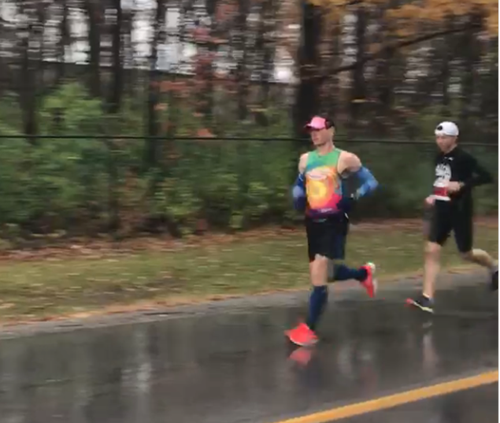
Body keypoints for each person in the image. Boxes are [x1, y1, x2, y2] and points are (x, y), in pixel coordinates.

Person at [286, 115, 379, 347]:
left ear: (331, 131)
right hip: (312, 222)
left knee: (319, 271)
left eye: (318, 129)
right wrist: (297, 193)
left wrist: (353, 197)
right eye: (311, 130)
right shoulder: (305, 160)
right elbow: (300, 183)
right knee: (326, 274)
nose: (314, 134)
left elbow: (371, 182)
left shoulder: (345, 158)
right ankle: (363, 274)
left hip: (335, 221)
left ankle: (309, 329)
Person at [407, 121, 499, 314]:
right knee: (431, 249)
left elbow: (486, 177)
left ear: (454, 138)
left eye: (444, 138)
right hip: (442, 209)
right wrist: (433, 196)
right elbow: (441, 181)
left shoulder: (464, 158)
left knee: (466, 254)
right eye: (437, 138)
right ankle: (427, 297)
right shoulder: (439, 157)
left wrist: (463, 184)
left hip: (460, 209)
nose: (440, 141)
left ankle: (494, 267)